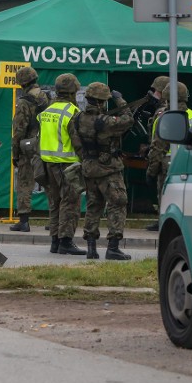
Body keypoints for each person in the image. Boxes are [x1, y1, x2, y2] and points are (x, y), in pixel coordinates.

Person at [69, 82, 135, 260]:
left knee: (93, 205)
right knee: (118, 204)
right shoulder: (105, 122)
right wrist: (120, 101)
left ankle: (91, 247)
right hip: (108, 170)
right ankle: (113, 247)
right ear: (101, 102)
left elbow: (76, 144)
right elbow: (128, 120)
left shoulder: (77, 119)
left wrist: (89, 158)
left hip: (89, 168)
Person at [38, 73, 85, 255]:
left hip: (48, 164)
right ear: (73, 91)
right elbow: (77, 142)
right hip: (68, 165)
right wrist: (86, 161)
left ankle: (55, 241)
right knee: (70, 203)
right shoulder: (72, 113)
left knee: (55, 203)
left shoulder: (47, 111)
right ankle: (66, 241)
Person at [9, 66, 49, 232]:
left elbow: (19, 130)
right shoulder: (47, 98)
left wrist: (15, 153)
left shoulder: (24, 102)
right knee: (50, 184)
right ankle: (54, 220)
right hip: (47, 145)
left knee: (25, 184)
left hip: (28, 147)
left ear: (22, 83)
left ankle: (24, 221)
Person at [146, 81, 192, 214]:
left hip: (168, 163)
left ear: (166, 97)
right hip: (188, 163)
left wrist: (151, 171)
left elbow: (158, 147)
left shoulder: (167, 117)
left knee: (166, 200)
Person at [142, 76, 170, 231]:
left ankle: (163, 222)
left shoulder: (163, 113)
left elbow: (159, 144)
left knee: (163, 193)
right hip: (175, 159)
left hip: (164, 160)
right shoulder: (187, 112)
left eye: (156, 91)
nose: (153, 94)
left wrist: (151, 169)